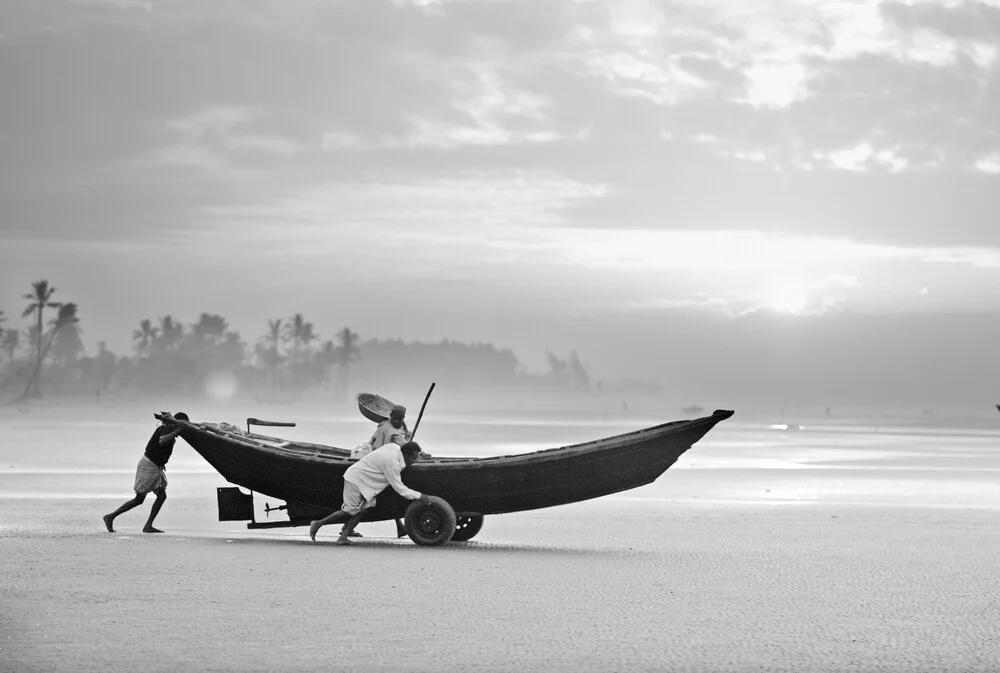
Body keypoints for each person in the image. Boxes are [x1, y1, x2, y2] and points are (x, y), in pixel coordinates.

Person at [310, 441, 431, 545]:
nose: (414, 461)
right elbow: (400, 489)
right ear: (406, 455)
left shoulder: (394, 446)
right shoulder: (392, 464)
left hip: (366, 482)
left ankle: (343, 537)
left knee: (363, 510)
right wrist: (419, 496)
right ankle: (318, 523)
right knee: (350, 510)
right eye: (413, 458)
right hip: (356, 479)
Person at [103, 412, 188, 534]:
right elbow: (162, 441)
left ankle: (148, 525)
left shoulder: (168, 430)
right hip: (149, 465)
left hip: (156, 466)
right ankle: (110, 517)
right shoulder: (166, 429)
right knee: (139, 499)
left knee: (161, 496)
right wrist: (177, 431)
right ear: (177, 423)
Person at [343, 404, 412, 538]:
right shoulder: (392, 432)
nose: (398, 421)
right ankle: (345, 527)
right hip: (374, 466)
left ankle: (399, 527)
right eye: (396, 419)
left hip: (376, 462)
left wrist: (405, 427)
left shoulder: (388, 425)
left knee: (385, 494)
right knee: (366, 500)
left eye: (400, 419)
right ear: (391, 416)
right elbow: (406, 446)